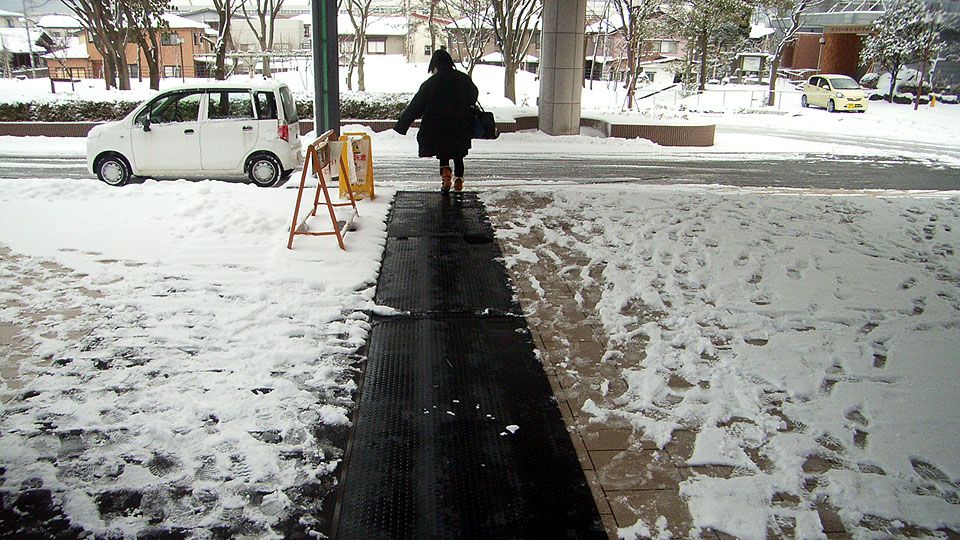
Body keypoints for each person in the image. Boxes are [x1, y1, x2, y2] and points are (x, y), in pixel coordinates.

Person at [394, 49, 479, 194]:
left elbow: (416, 105)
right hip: (460, 125)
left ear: (435, 65)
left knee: (443, 152)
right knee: (458, 153)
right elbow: (473, 96)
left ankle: (445, 175)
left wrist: (402, 124)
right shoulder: (463, 79)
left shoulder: (431, 83)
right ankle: (459, 179)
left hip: (438, 126)